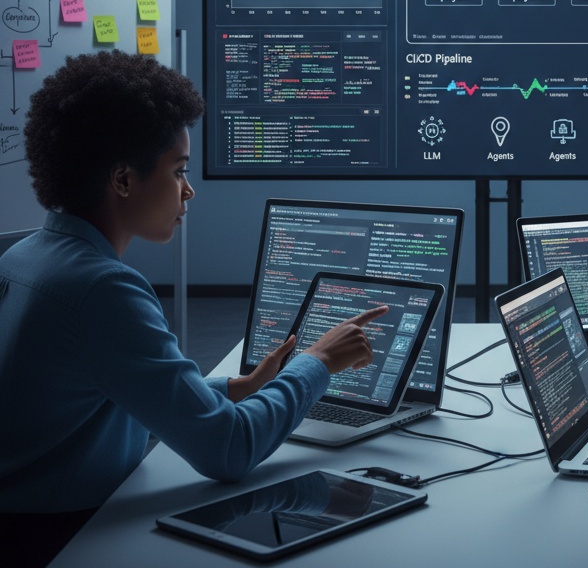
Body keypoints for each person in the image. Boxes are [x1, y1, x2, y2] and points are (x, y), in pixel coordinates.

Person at [0, 51, 387, 566]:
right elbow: (229, 451)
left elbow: (111, 390)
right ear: (122, 180)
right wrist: (318, 363)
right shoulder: (103, 290)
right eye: (178, 171)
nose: (189, 190)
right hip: (61, 541)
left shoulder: (26, 255)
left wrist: (235, 388)